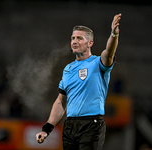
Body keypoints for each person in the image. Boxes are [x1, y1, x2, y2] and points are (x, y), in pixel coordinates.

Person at [36, 13, 122, 150]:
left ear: (90, 43)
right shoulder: (67, 70)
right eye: (73, 38)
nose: (74, 41)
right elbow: (60, 101)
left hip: (92, 124)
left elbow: (109, 52)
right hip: (70, 125)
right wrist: (47, 128)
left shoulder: (98, 62)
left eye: (79, 38)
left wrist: (114, 34)